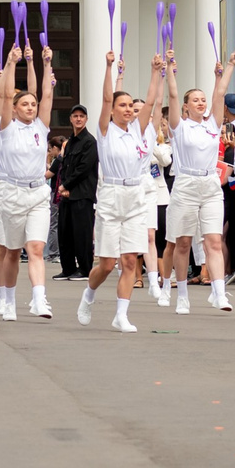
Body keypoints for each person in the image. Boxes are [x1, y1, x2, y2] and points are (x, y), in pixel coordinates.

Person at [80, 41, 162, 332]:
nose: (129, 110)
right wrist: (108, 68)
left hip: (136, 196)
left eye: (131, 106)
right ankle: (89, 294)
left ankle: (121, 314)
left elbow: (151, 102)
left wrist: (156, 72)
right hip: (112, 196)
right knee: (106, 263)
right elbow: (103, 100)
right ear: (113, 109)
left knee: (130, 260)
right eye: (123, 105)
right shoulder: (105, 131)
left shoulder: (140, 131)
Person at [159, 40, 234, 315]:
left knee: (213, 241)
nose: (201, 103)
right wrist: (170, 70)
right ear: (187, 106)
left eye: (204, 100)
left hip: (211, 185)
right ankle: (181, 295)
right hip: (186, 185)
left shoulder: (213, 125)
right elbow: (173, 96)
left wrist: (227, 68)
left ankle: (219, 293)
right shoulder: (179, 127)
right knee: (183, 242)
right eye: (196, 100)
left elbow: (221, 93)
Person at [0, 35, 57, 320]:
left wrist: (43, 62)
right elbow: (2, 96)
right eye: (24, 104)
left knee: (36, 248)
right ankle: (8, 299)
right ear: (15, 109)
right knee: (11, 252)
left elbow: (46, 94)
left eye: (32, 104)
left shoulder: (41, 126)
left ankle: (39, 299)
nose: (30, 107)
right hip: (10, 193)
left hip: (37, 193)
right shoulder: (4, 127)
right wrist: (11, 62)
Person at [54, 103, 97, 280]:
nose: (78, 119)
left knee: (82, 234)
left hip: (82, 194)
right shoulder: (69, 142)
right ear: (70, 119)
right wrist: (63, 186)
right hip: (67, 195)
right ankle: (68, 268)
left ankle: (85, 269)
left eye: (82, 116)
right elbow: (64, 166)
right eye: (75, 116)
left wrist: (66, 186)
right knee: (65, 233)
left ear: (86, 119)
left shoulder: (90, 142)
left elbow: (83, 169)